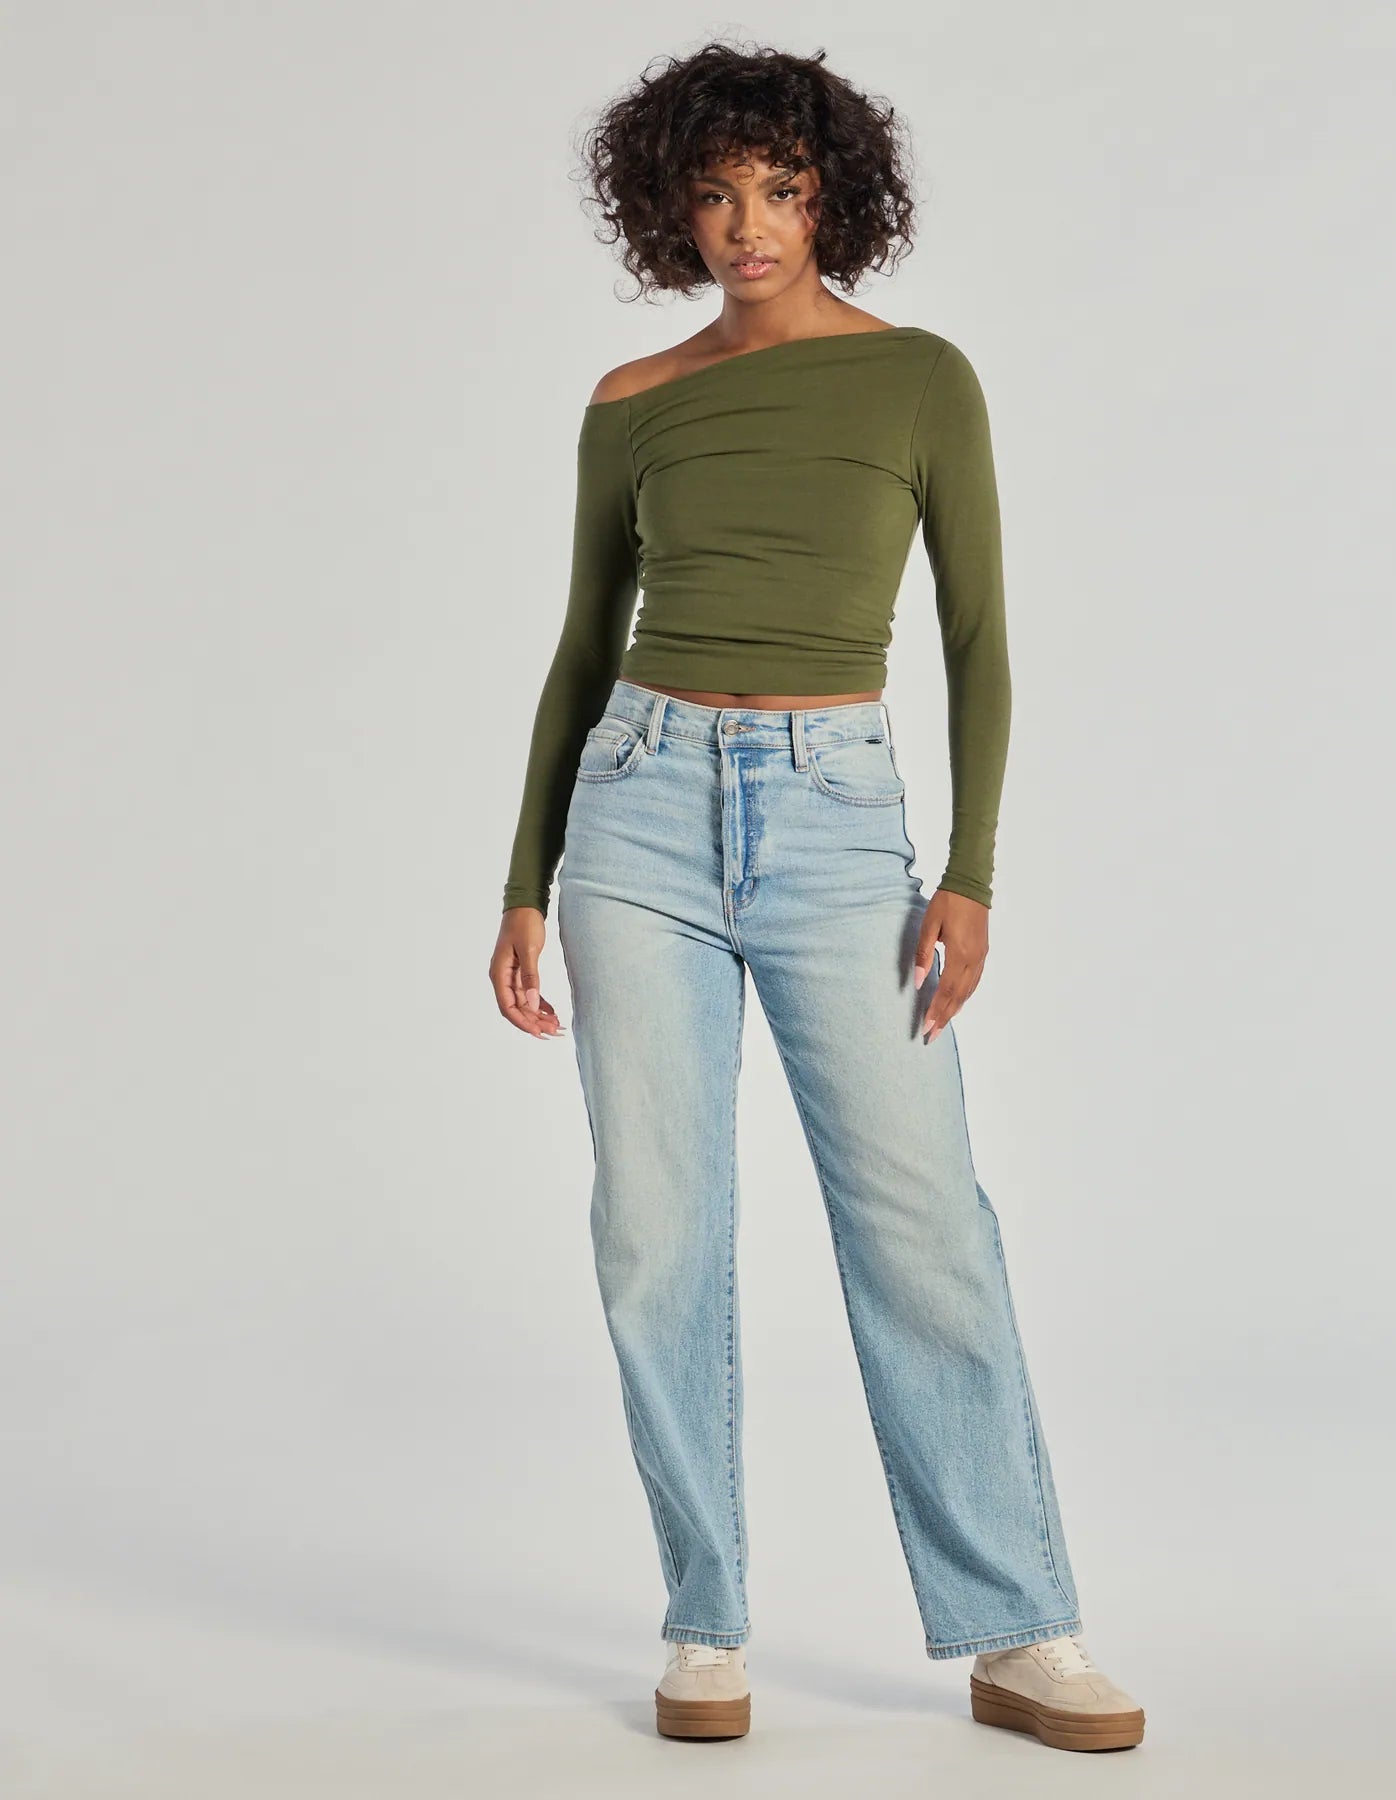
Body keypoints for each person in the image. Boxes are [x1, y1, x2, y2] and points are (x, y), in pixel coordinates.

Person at [488, 40, 1145, 1754]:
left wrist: (971, 874)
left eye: (779, 188)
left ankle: (1019, 1628)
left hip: (839, 820)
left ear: (833, 193)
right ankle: (704, 1624)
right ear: (669, 210)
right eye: (713, 194)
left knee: (924, 1224)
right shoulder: (633, 399)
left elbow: (978, 637)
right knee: (655, 1234)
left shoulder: (919, 379)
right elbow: (580, 647)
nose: (747, 224)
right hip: (634, 815)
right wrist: (523, 879)